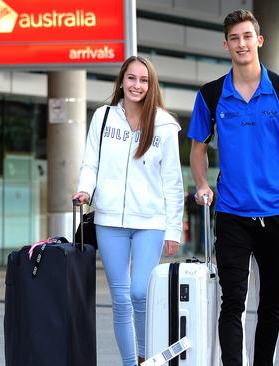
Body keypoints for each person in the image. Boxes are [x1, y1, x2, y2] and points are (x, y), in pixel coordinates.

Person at [188, 9, 279, 366]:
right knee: (232, 304)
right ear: (226, 44)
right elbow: (197, 150)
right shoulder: (212, 95)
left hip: (278, 213)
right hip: (231, 215)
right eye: (234, 38)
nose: (241, 43)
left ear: (259, 40)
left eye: (247, 36)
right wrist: (201, 184)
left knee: (270, 308)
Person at [73, 56, 184, 366]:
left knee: (139, 293)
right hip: (109, 220)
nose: (137, 85)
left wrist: (173, 230)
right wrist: (85, 189)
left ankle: (149, 357)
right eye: (132, 78)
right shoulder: (103, 117)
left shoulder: (164, 124)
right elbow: (90, 161)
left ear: (152, 85)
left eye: (144, 80)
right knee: (121, 299)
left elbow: (173, 181)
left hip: (150, 221)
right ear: (121, 81)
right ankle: (129, 363)